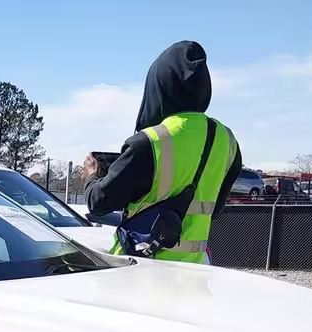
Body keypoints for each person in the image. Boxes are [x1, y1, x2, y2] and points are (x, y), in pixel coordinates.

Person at [81, 40, 242, 264]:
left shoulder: (148, 142)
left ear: (160, 86)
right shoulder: (227, 141)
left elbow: (98, 203)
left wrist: (92, 175)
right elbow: (213, 210)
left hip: (141, 266)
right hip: (195, 268)